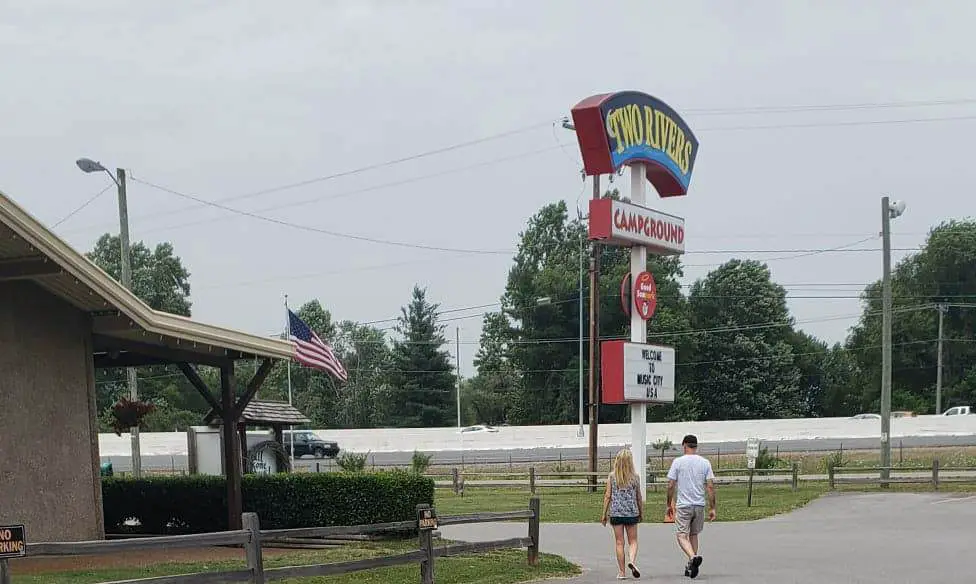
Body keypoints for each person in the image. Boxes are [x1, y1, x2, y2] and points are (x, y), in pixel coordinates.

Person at [665, 434, 716, 579]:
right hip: (699, 504)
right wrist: (712, 507)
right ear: (696, 446)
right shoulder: (705, 463)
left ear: (684, 445)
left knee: (681, 535)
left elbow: (671, 485)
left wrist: (669, 504)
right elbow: (710, 487)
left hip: (684, 505)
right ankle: (691, 564)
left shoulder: (678, 462)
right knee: (693, 534)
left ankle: (693, 557)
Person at [601, 448, 643, 579]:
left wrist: (604, 514)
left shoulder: (612, 477)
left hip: (616, 513)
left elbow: (608, 496)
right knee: (633, 541)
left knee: (619, 542)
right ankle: (632, 561)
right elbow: (638, 497)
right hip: (631, 513)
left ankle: (622, 572)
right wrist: (641, 512)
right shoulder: (635, 477)